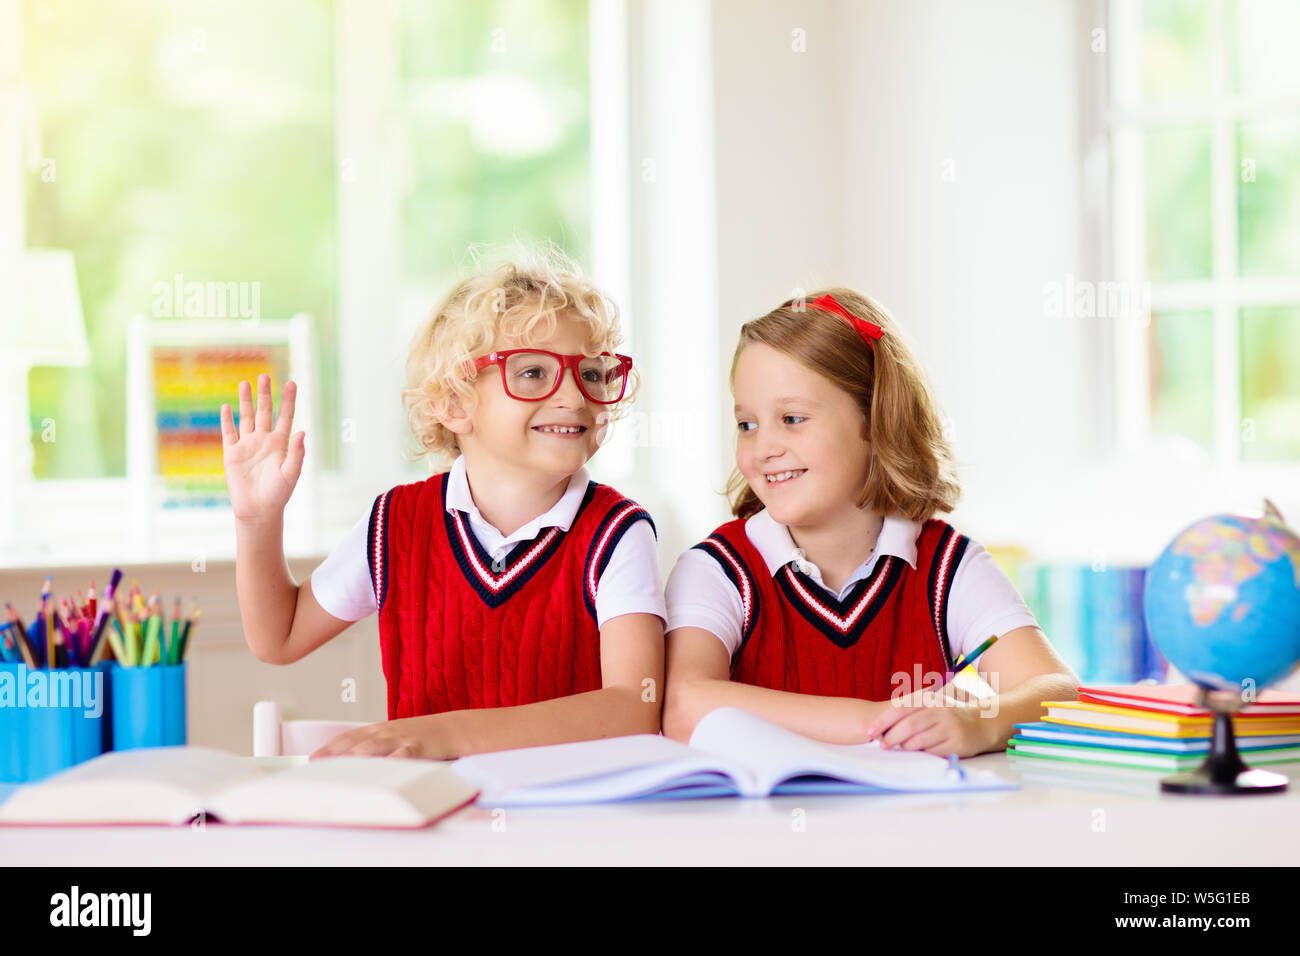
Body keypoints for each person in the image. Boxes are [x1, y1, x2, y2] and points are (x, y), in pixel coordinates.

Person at [222, 251, 665, 759]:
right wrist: (256, 520)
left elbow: (634, 707)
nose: (573, 394)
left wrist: (444, 736)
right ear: (453, 403)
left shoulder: (618, 532)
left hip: (565, 827)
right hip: (425, 821)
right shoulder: (395, 524)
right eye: (532, 372)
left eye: (590, 373)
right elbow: (278, 637)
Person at [662, 288, 1077, 756]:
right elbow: (684, 706)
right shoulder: (717, 569)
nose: (763, 448)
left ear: (875, 420)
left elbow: (1059, 691)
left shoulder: (946, 566)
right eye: (747, 424)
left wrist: (980, 721)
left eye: (792, 418)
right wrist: (884, 719)